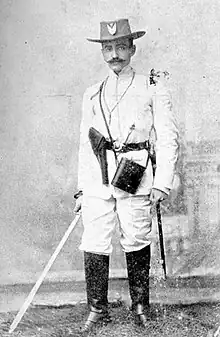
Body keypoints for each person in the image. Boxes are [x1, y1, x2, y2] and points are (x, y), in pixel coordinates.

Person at [74, 18, 179, 333]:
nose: (114, 54)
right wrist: (82, 189)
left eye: (120, 46)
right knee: (94, 240)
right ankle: (97, 309)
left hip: (136, 174)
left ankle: (140, 307)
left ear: (132, 48)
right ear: (102, 52)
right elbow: (85, 143)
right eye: (108, 47)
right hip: (98, 177)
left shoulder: (152, 85)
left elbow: (167, 138)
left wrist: (162, 182)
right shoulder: (93, 93)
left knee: (135, 237)